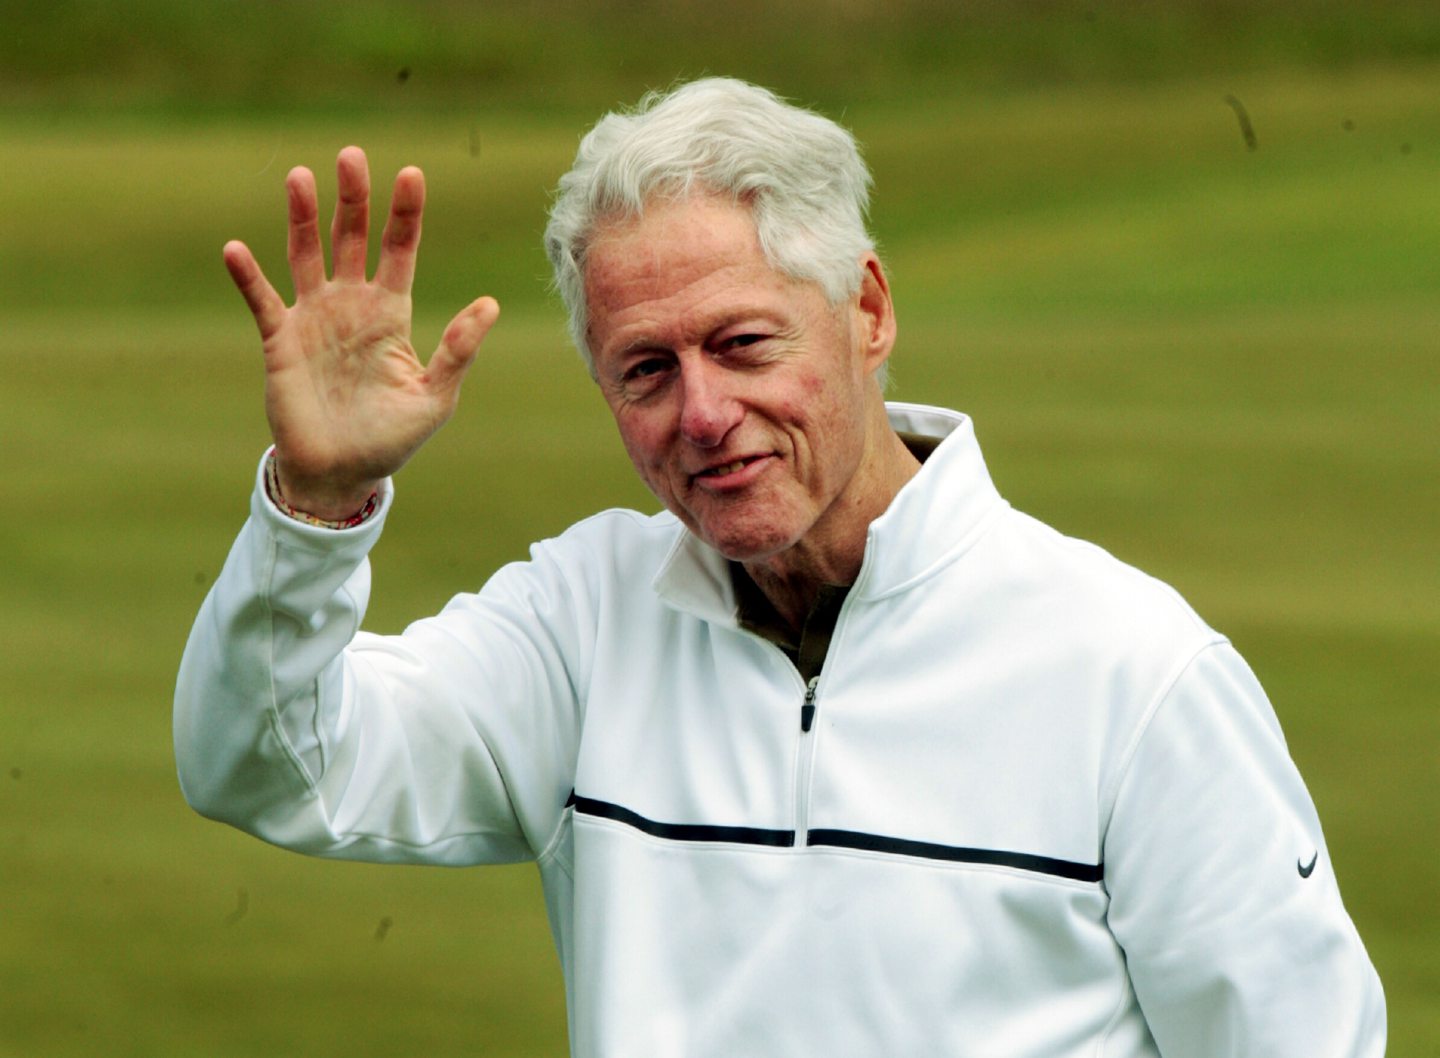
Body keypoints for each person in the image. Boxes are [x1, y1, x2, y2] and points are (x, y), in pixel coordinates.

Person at [175, 78, 1385, 1056]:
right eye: (645, 370)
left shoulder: (1133, 669)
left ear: (865, 310)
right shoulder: (581, 621)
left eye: (744, 343)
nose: (702, 413)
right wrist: (318, 503)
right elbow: (272, 766)